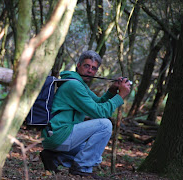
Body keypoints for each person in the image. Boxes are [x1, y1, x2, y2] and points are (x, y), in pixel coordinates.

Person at [40, 50, 131, 179]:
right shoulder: (73, 85)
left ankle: (55, 157)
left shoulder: (79, 84)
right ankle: (81, 168)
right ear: (78, 65)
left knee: (96, 157)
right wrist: (120, 96)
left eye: (94, 68)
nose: (90, 70)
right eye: (86, 66)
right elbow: (100, 113)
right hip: (59, 134)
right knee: (105, 125)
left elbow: (98, 103)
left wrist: (111, 91)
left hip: (56, 136)